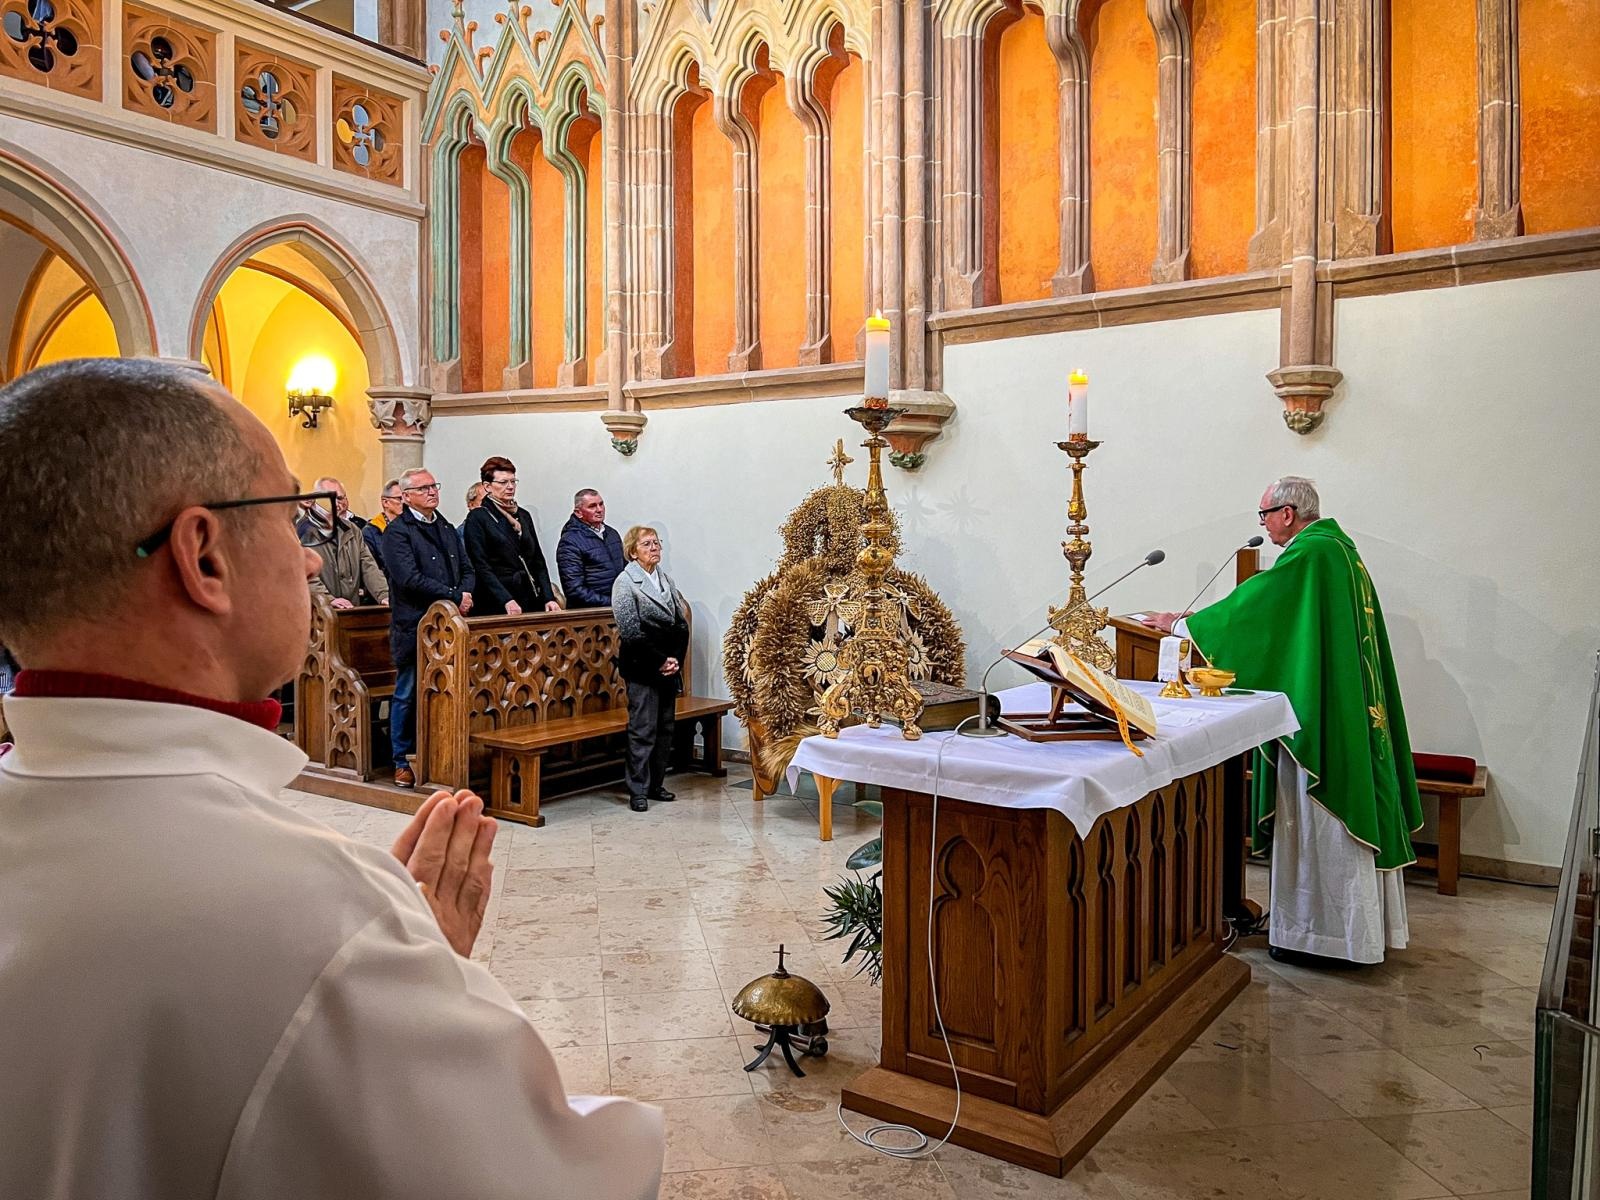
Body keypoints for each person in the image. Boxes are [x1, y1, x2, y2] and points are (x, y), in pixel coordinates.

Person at [0, 358, 663, 1200]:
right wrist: (419, 975)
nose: (312, 563)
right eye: (289, 517)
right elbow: (558, 1181)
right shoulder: (316, 913)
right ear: (202, 558)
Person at [1144, 476, 1421, 967]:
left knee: (1321, 813)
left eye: (1265, 515)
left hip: (1327, 714)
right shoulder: (1339, 550)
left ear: (1288, 513)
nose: (1265, 525)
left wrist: (1181, 624)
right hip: (1341, 704)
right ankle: (1346, 932)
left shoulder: (1311, 554)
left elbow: (1261, 611)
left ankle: (1325, 937)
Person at [383, 467, 475, 788]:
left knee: (448, 690)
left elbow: (466, 567)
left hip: (449, 627)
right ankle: (401, 759)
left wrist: (464, 594)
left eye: (434, 485)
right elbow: (408, 579)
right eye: (424, 488)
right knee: (407, 692)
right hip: (415, 625)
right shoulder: (398, 532)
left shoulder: (445, 526)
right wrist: (453, 596)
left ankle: (440, 755)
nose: (432, 492)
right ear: (406, 497)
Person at [611, 526, 688, 813]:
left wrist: (675, 659)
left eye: (657, 543)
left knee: (665, 728)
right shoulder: (625, 582)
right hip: (643, 666)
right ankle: (638, 790)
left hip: (668, 666)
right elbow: (630, 631)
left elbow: (681, 623)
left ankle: (657, 784)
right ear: (633, 551)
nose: (654, 547)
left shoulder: (665, 579)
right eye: (647, 544)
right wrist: (660, 660)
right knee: (642, 729)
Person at [463, 456, 561, 616]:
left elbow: (538, 560)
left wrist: (548, 597)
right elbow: (481, 566)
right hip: (497, 599)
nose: (510, 487)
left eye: (513, 481)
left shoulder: (523, 515)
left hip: (529, 594)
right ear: (487, 486)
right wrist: (506, 599)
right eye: (503, 482)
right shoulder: (479, 517)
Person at [299, 475, 389, 608]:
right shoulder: (301, 530)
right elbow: (303, 573)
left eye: (340, 498)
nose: (337, 503)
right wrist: (328, 599)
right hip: (317, 612)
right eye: (331, 497)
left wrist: (383, 594)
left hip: (350, 610)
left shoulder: (352, 529)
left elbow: (368, 565)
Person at [557, 487, 625, 608]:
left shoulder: (612, 534)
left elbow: (626, 570)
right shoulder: (570, 541)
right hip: (591, 615)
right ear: (578, 513)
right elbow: (574, 590)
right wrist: (612, 602)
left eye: (601, 504)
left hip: (618, 607)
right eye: (592, 506)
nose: (599, 510)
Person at [363, 478, 403, 571]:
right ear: (385, 502)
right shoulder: (371, 532)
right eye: (399, 498)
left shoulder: (412, 526)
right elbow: (371, 568)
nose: (404, 502)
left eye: (406, 497)